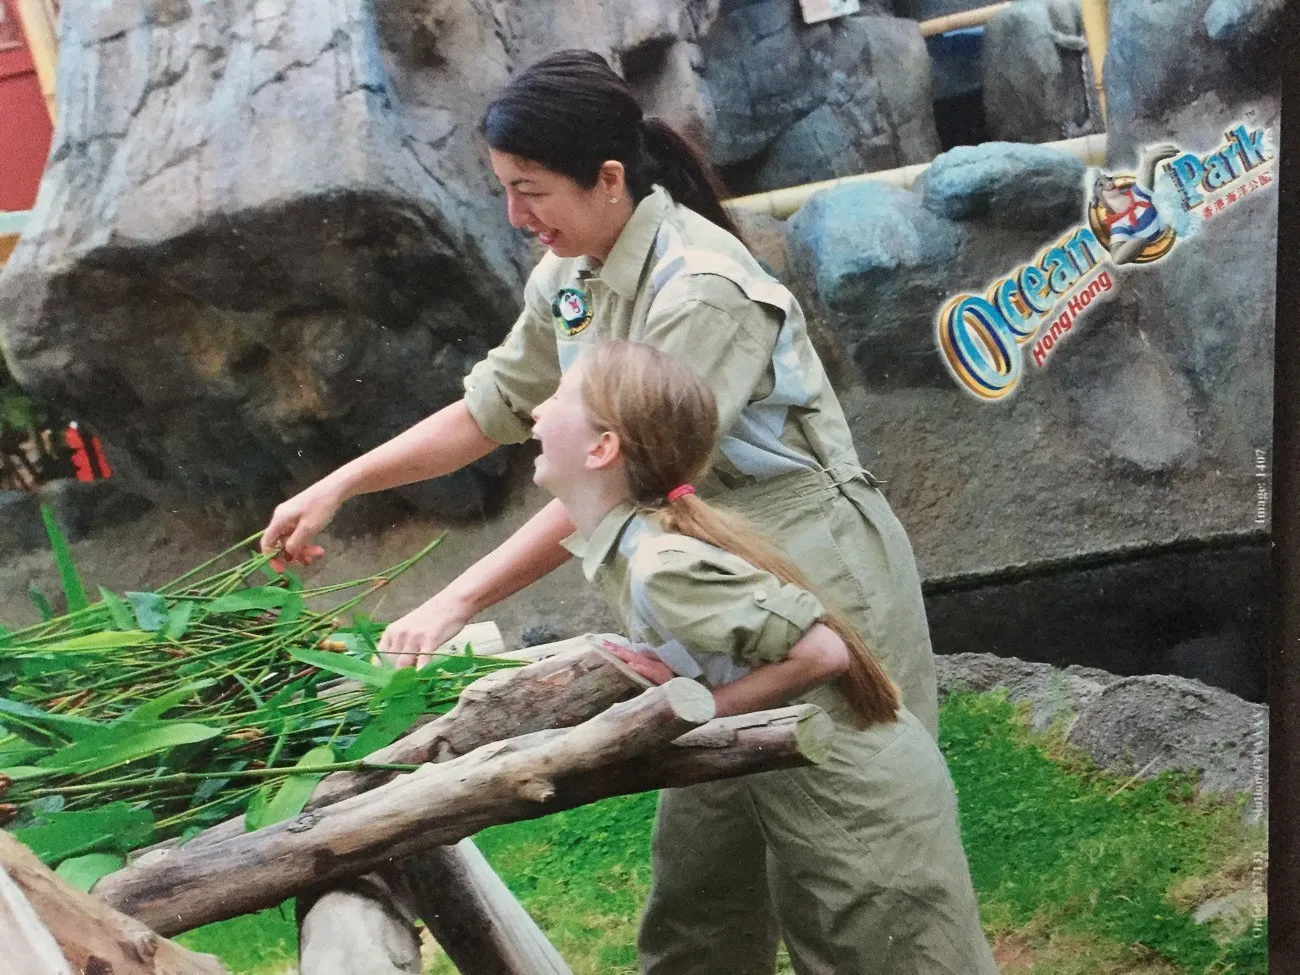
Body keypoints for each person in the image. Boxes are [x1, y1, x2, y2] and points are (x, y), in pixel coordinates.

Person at [261, 49, 941, 973]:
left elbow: (617, 482)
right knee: (698, 899)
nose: (516, 216)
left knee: (865, 886)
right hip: (702, 589)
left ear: (609, 178)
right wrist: (339, 484)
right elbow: (489, 408)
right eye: (505, 189)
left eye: (530, 190)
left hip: (807, 565)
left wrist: (455, 599)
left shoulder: (702, 288)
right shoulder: (574, 272)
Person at [529, 340, 998, 974]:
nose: (537, 410)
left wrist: (702, 707)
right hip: (829, 805)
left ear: (602, 448)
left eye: (559, 397)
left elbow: (822, 652)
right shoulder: (643, 548)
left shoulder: (660, 565)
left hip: (865, 814)